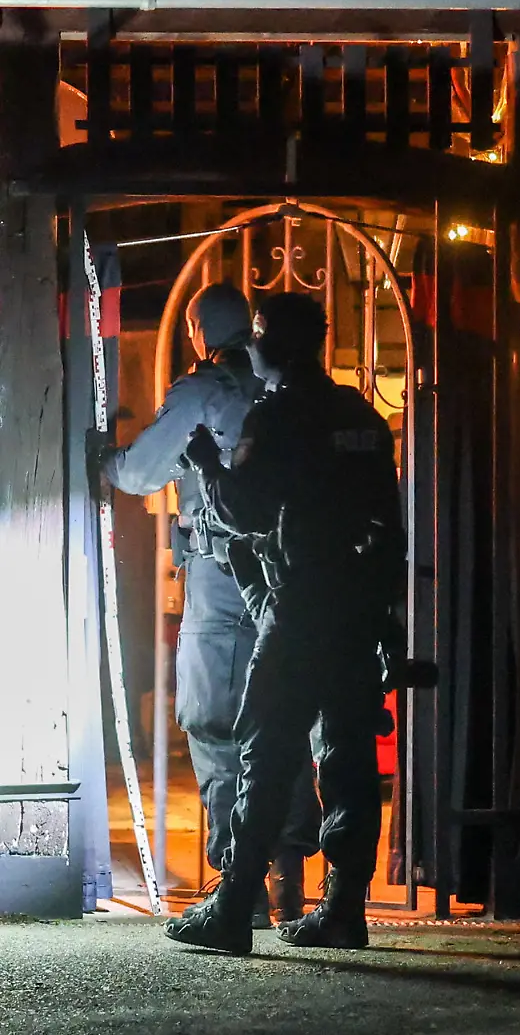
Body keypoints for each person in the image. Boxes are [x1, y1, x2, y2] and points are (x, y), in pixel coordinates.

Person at [163, 291, 404, 955]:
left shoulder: (278, 416)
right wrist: (387, 620)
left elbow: (242, 509)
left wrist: (206, 463)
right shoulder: (359, 416)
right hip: (355, 609)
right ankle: (344, 909)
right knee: (348, 757)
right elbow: (389, 527)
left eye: (260, 334)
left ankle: (234, 903)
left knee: (265, 752)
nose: (252, 345)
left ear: (281, 344)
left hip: (298, 607)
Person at [98, 282, 320, 927]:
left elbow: (140, 472)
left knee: (214, 722)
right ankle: (288, 877)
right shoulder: (290, 392)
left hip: (222, 573)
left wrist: (104, 459)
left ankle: (237, 884)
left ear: (197, 331)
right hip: (292, 574)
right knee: (285, 718)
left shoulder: (203, 391)